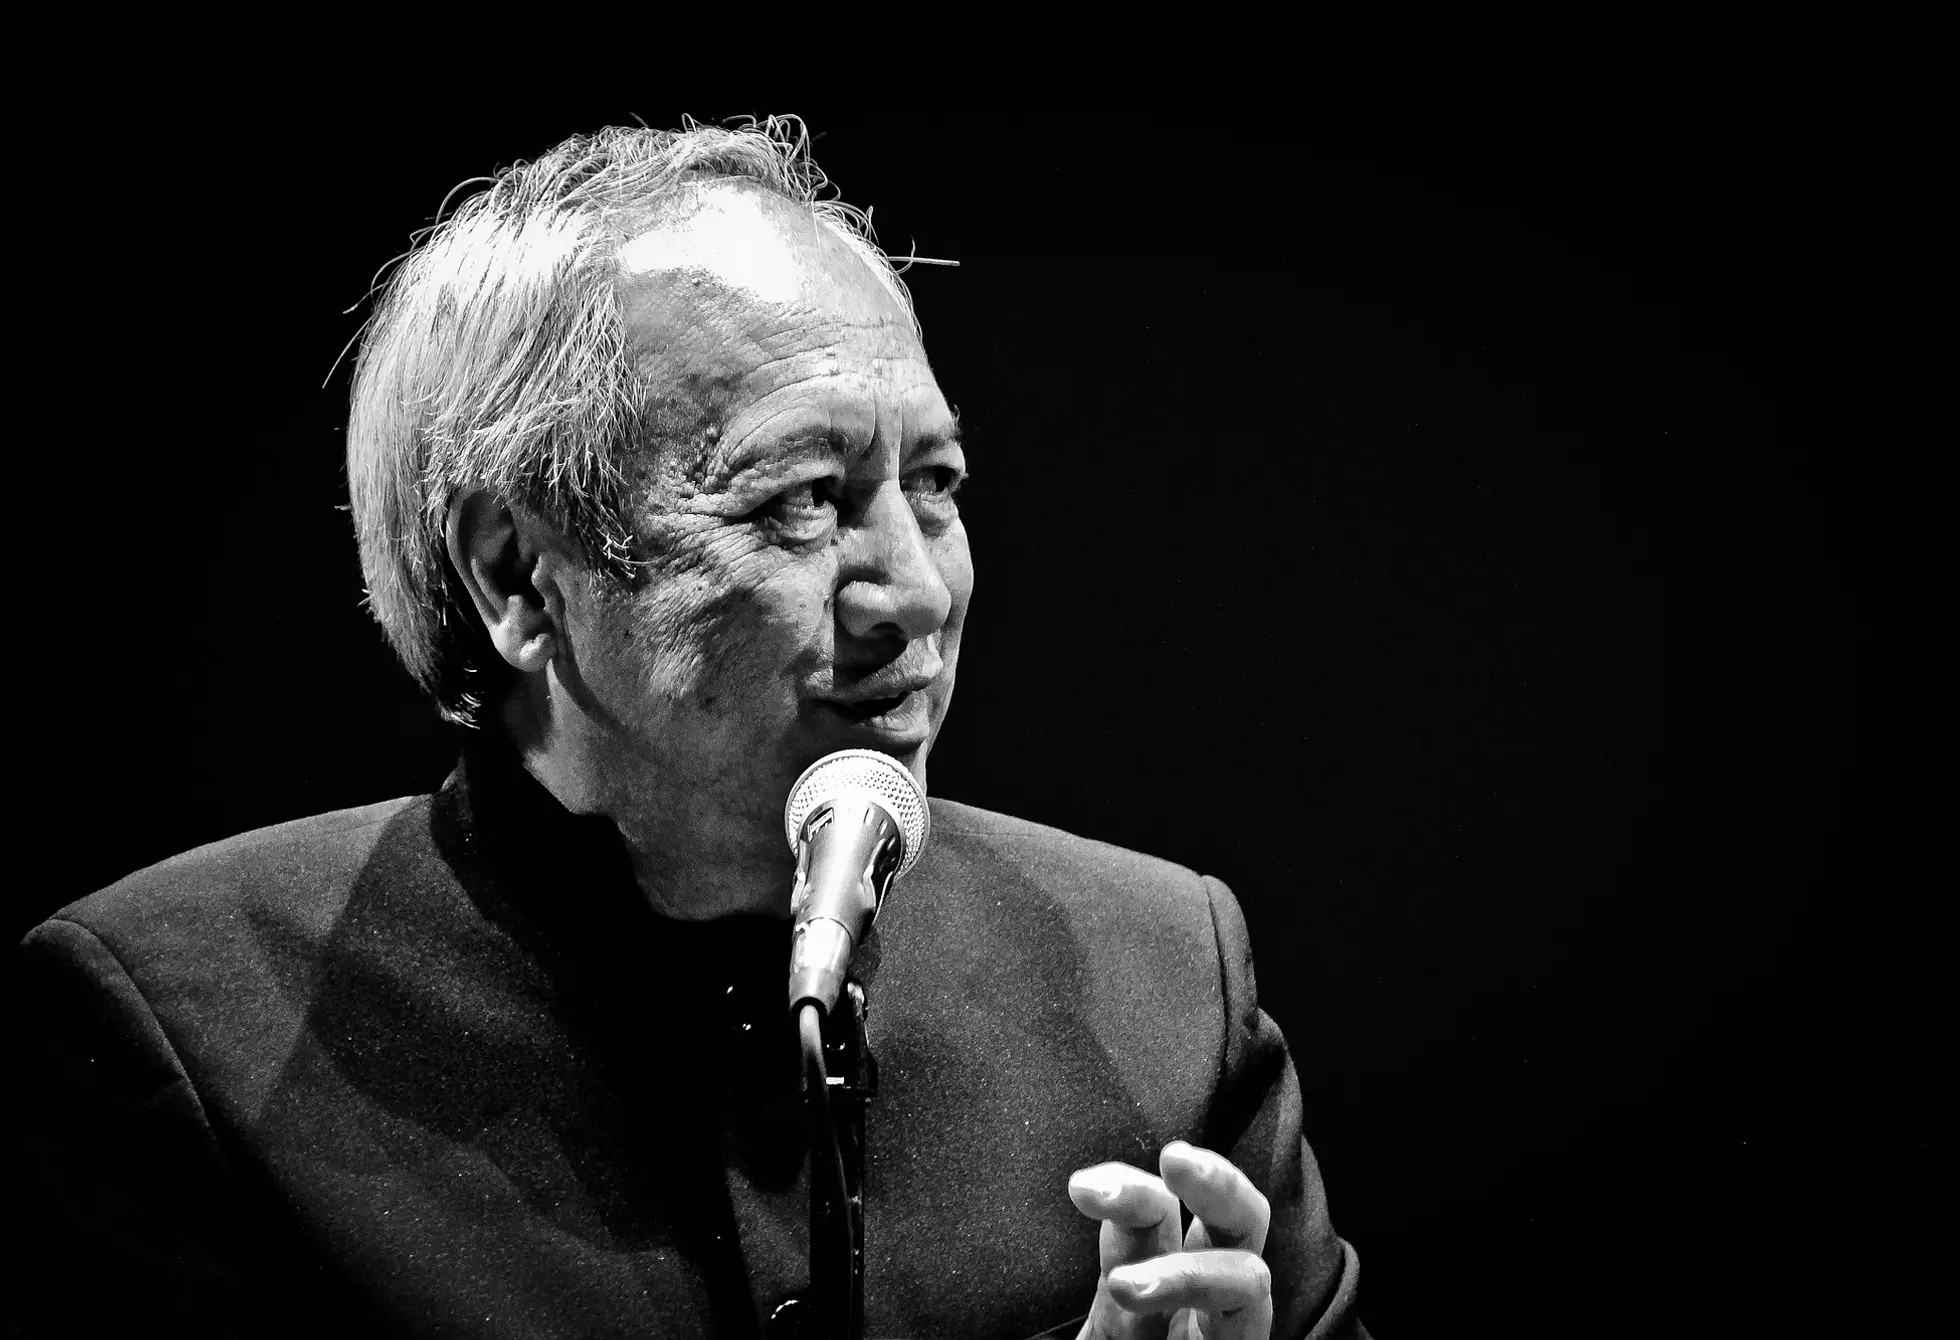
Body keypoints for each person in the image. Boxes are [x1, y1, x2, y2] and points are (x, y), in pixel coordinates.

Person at [9, 119, 1367, 1339]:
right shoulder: (182, 1039)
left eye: (935, 483)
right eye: (799, 499)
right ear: (518, 577)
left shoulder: (1161, 982)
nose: (914, 591)